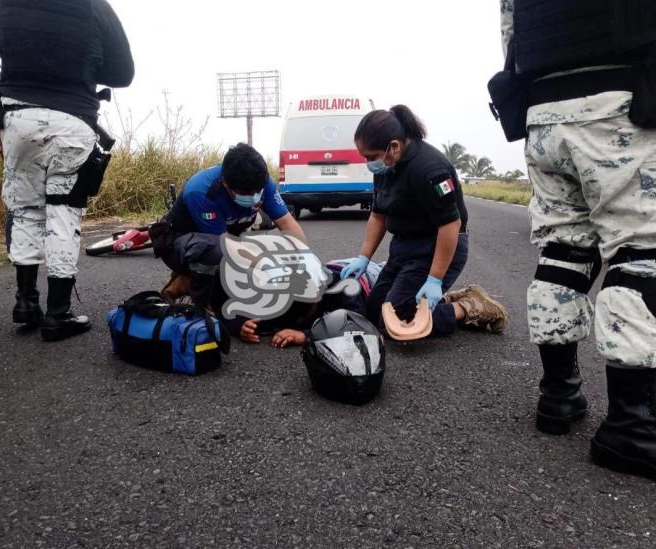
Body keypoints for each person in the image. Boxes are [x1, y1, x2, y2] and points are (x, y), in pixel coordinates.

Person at [498, 1, 656, 480]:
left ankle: (558, 397)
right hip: (622, 100)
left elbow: (510, 29)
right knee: (642, 252)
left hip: (543, 112)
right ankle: (633, 428)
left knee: (565, 250)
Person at [0, 0, 134, 341]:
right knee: (63, 213)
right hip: (73, 118)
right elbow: (123, 73)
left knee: (24, 209)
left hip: (18, 116)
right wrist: (78, 60)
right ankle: (58, 314)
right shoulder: (94, 5)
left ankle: (26, 303)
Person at [341, 105, 508, 336]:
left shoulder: (431, 169)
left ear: (394, 146)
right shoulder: (386, 167)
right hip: (404, 248)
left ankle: (470, 306)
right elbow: (378, 215)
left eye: (370, 157)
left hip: (436, 248)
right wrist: (364, 258)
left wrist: (434, 279)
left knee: (397, 322)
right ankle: (430, 298)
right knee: (372, 312)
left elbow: (450, 225)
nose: (368, 163)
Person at [151, 143, 307, 309]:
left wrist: (305, 261)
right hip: (180, 243)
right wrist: (266, 267)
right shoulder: (201, 191)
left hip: (224, 240)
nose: (254, 198)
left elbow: (288, 225)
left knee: (270, 251)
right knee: (218, 256)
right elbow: (226, 247)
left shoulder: (263, 182)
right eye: (245, 194)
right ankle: (193, 296)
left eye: (257, 192)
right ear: (225, 184)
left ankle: (192, 282)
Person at [230, 258, 377, 348]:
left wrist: (305, 335)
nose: (299, 320)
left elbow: (357, 326)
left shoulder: (343, 289)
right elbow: (234, 313)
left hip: (366, 274)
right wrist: (241, 326)